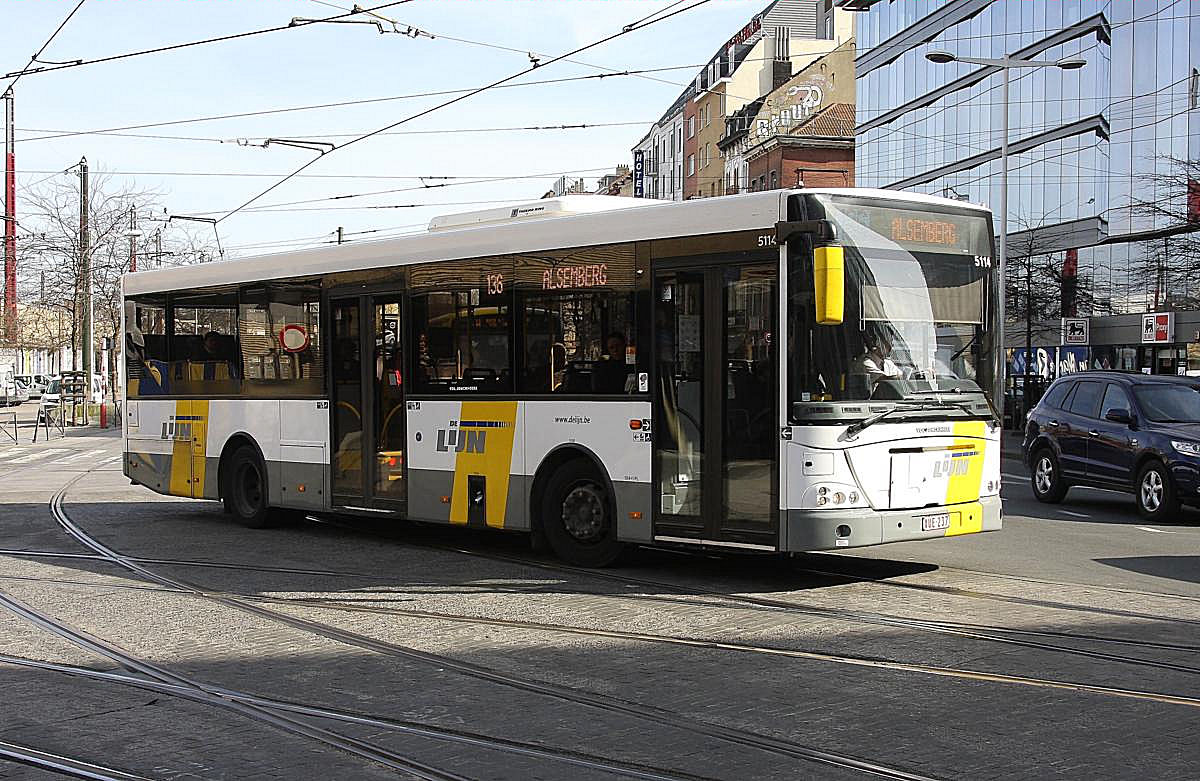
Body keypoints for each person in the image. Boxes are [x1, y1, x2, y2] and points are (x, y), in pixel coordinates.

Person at [849, 326, 902, 396]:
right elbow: (885, 379)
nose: (891, 346)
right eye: (888, 342)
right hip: (870, 404)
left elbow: (900, 375)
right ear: (876, 343)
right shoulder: (865, 363)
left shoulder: (887, 363)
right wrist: (901, 378)